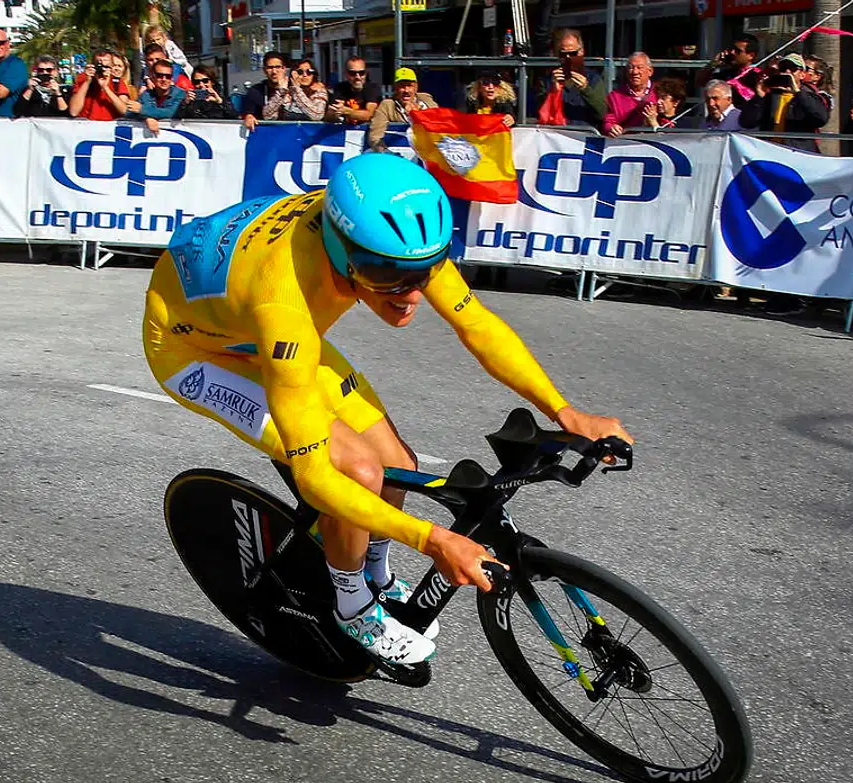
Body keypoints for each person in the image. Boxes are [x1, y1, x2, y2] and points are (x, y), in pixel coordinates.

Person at [142, 154, 632, 670]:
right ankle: (352, 606)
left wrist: (564, 410)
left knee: (397, 462)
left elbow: (478, 327)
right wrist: (432, 539)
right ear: (341, 249)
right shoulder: (286, 304)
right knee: (355, 471)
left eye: (424, 273)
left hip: (248, 322)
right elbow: (313, 477)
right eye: (386, 278)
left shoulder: (396, 251)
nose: (411, 294)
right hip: (195, 350)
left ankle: (373, 571)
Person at [741, 53, 829, 153]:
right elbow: (746, 122)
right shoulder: (770, 95)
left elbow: (821, 119)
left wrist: (798, 92)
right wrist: (759, 97)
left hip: (798, 153)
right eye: (783, 68)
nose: (787, 71)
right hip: (770, 152)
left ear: (802, 74)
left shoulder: (809, 96)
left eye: (793, 69)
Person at [542, 28, 606, 128]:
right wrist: (553, 92)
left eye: (572, 53)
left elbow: (602, 114)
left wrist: (585, 89)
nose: (568, 58)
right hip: (555, 136)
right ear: (557, 55)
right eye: (563, 54)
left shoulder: (593, 78)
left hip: (583, 137)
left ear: (581, 52)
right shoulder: (547, 79)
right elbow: (538, 113)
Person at [366, 67, 438, 150]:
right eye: (402, 86)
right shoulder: (387, 105)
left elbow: (437, 125)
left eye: (409, 86)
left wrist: (417, 115)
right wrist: (386, 154)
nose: (406, 90)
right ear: (395, 88)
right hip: (398, 156)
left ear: (416, 87)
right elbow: (375, 137)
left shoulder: (427, 100)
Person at [602, 52, 655, 137]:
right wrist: (611, 128)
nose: (635, 72)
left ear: (650, 71)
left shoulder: (660, 93)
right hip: (626, 143)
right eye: (631, 68)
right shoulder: (615, 96)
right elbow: (608, 122)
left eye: (640, 68)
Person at [68, 49, 129, 120]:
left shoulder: (117, 81)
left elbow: (124, 111)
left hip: (109, 125)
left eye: (106, 62)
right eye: (98, 62)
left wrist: (106, 88)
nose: (102, 65)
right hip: (87, 124)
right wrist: (87, 82)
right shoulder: (83, 78)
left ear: (112, 65)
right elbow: (73, 111)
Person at [0, 28, 27, 117]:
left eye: (0, 43)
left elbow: (1, 93)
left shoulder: (15, 64)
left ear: (7, 44)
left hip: (10, 121)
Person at [325, 56, 380, 126]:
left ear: (366, 73)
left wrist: (347, 111)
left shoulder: (372, 88)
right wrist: (333, 113)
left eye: (361, 73)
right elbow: (329, 117)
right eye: (352, 73)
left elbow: (369, 115)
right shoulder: (340, 88)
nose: (357, 77)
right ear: (346, 74)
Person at [136, 58, 187, 134]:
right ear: (152, 76)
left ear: (172, 78)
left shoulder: (180, 94)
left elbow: (171, 112)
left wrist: (143, 110)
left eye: (168, 76)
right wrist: (147, 118)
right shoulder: (146, 94)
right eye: (159, 75)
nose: (164, 79)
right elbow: (129, 112)